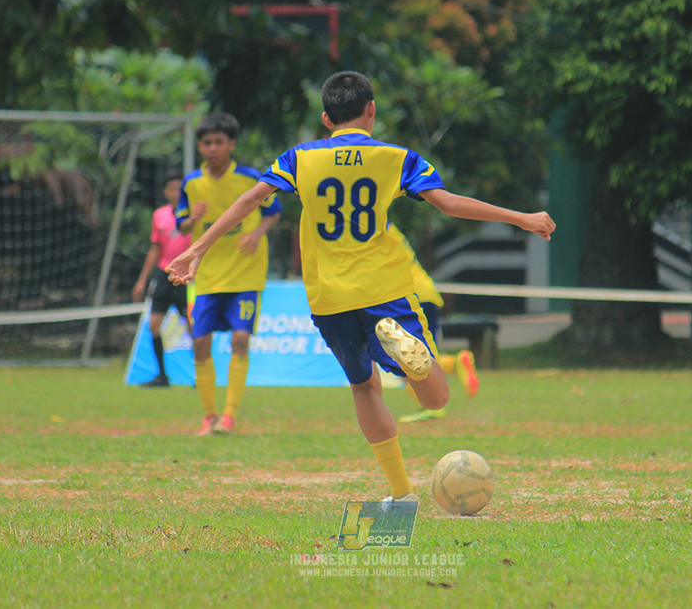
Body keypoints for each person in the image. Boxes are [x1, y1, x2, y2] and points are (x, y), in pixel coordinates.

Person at [168, 72, 555, 503]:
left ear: (326, 118)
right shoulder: (396, 157)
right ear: (371, 109)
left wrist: (197, 249)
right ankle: (411, 355)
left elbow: (249, 201)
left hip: (328, 297)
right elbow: (449, 204)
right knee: (434, 397)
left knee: (362, 387)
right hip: (383, 288)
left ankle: (401, 489)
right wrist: (522, 218)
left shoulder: (299, 158)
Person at [176, 113, 282, 436]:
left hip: (245, 274)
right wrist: (191, 220)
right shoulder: (191, 183)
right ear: (199, 146)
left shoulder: (251, 178)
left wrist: (257, 232)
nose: (213, 148)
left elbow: (274, 212)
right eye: (207, 143)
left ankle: (229, 416)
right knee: (200, 342)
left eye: (219, 142)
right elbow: (181, 225)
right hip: (207, 276)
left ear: (231, 145)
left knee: (240, 339)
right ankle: (209, 416)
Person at [383, 222, 479, 423]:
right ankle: (452, 367)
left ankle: (435, 397)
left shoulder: (371, 226)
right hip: (420, 293)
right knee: (411, 355)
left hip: (407, 296)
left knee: (401, 356)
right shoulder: (382, 224)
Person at [132, 172, 192, 388]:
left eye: (180, 189)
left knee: (194, 326)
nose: (176, 193)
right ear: (165, 192)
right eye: (172, 189)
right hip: (164, 276)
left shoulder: (193, 215)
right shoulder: (160, 215)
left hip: (186, 277)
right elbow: (155, 249)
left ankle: (201, 377)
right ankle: (162, 376)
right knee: (154, 325)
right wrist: (142, 281)